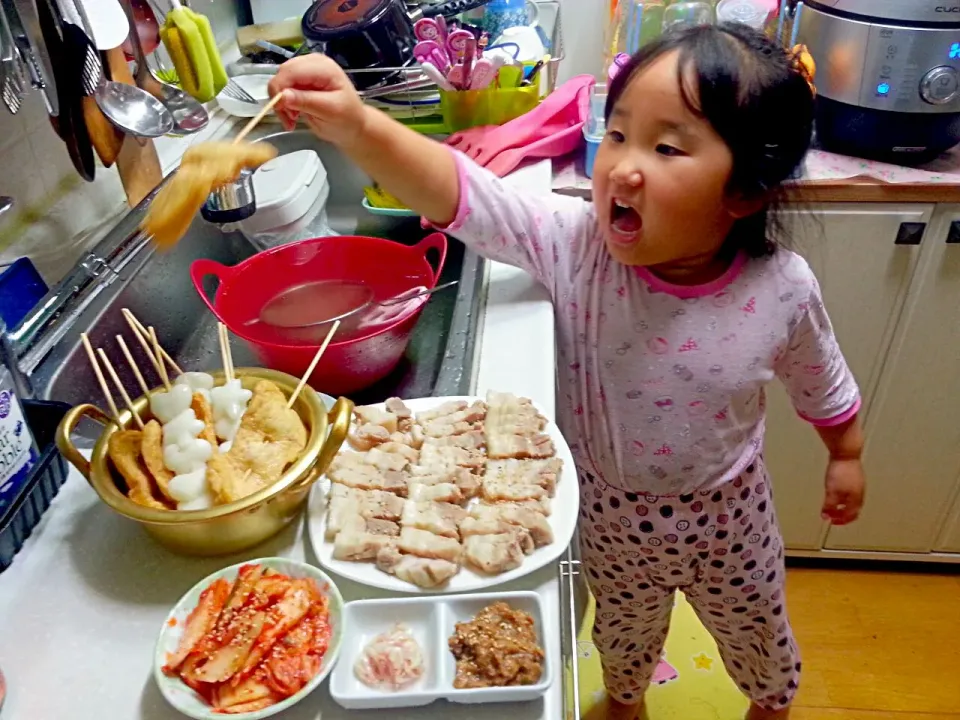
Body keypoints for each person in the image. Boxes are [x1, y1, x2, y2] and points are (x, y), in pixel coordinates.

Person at [268, 23, 866, 720]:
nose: (623, 167)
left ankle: (768, 704)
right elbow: (457, 192)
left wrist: (845, 455)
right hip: (608, 513)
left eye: (666, 147)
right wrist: (357, 125)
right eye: (617, 135)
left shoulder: (783, 288)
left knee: (757, 634)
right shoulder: (575, 246)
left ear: (745, 193)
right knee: (620, 635)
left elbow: (823, 380)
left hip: (728, 515)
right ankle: (624, 701)